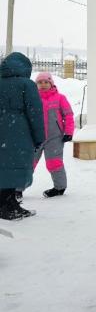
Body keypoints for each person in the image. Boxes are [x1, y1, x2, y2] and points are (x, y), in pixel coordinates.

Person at [0, 52, 44, 220]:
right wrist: (39, 136)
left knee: (3, 167)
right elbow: (35, 113)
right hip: (18, 132)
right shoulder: (26, 85)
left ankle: (7, 203)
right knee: (14, 167)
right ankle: (8, 205)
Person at [33, 72, 74, 198]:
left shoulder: (60, 98)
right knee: (28, 162)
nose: (43, 84)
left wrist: (68, 132)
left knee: (54, 162)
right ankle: (17, 189)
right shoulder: (32, 98)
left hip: (54, 138)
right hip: (34, 137)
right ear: (36, 85)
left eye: (46, 82)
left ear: (51, 83)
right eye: (40, 82)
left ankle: (59, 187)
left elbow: (68, 115)